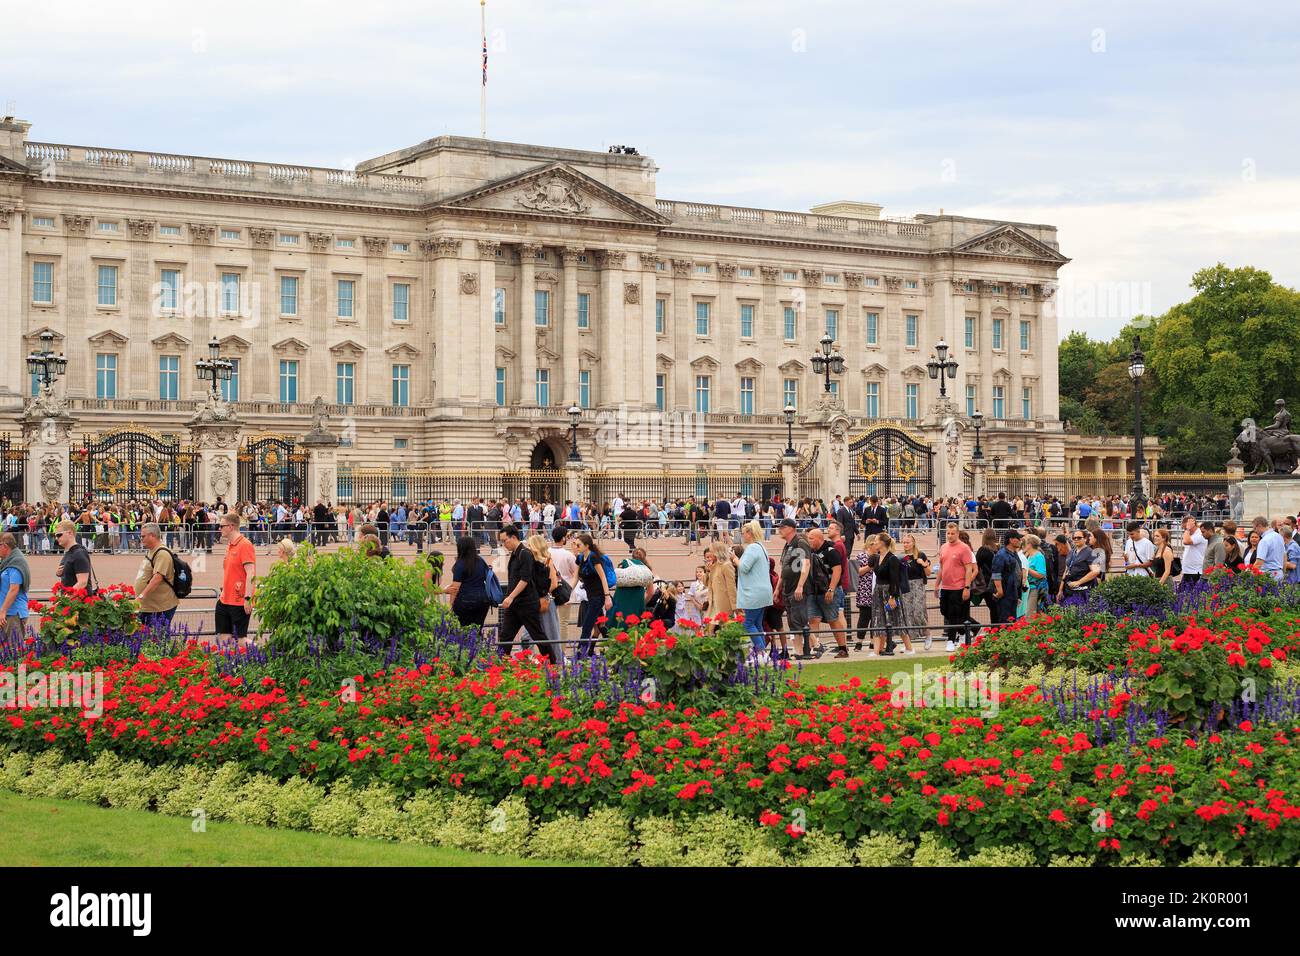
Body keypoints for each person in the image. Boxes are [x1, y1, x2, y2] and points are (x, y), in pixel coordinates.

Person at [496, 524, 555, 662]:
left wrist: (510, 597)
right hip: (516, 604)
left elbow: (525, 579)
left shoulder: (525, 553)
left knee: (538, 635)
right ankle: (500, 663)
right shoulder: (516, 554)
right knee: (506, 636)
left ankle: (553, 663)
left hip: (527, 604)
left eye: (505, 540)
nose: (504, 544)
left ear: (514, 537)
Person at [732, 520, 773, 658]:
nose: (743, 536)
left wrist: (735, 559)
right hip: (762, 592)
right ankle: (762, 652)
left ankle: (761, 652)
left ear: (750, 533)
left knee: (748, 624)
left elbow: (744, 567)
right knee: (757, 623)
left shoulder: (752, 548)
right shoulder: (761, 547)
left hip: (754, 593)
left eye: (743, 533)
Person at [777, 518, 815, 658]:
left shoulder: (800, 542)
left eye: (783, 527)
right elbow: (784, 569)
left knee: (799, 620)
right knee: (793, 622)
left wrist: (800, 586)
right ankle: (799, 652)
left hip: (797, 588)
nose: (780, 529)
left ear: (791, 528)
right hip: (788, 588)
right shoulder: (787, 545)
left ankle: (814, 646)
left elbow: (806, 564)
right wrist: (777, 589)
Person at [936, 522, 977, 651]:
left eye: (953, 533)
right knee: (945, 611)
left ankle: (951, 640)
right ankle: (967, 631)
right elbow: (942, 568)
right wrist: (937, 584)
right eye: (948, 533)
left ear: (958, 533)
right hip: (946, 587)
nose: (950, 535)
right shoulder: (943, 547)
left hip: (959, 587)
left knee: (954, 615)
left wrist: (967, 587)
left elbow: (969, 569)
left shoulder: (964, 548)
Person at [574, 533, 616, 656]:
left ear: (586, 546)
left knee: (587, 626)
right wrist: (567, 593)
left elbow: (603, 577)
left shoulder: (593, 557)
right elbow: (575, 577)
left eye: (578, 544)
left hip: (598, 597)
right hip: (590, 596)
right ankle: (616, 649)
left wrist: (607, 597)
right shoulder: (580, 558)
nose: (576, 546)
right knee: (601, 625)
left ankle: (579, 656)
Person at [217, 513, 257, 642]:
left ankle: (262, 654)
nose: (219, 528)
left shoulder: (245, 545)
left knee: (241, 640)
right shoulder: (229, 545)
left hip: (239, 600)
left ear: (231, 526)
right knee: (224, 638)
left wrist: (248, 598)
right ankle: (231, 662)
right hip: (225, 599)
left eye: (222, 526)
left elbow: (251, 573)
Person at [135, 522, 180, 634]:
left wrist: (141, 596)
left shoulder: (162, 553)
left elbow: (158, 578)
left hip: (159, 608)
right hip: (150, 606)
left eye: (143, 536)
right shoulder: (153, 550)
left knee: (159, 639)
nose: (141, 539)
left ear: (152, 536)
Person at [871, 532, 907, 655]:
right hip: (878, 591)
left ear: (882, 543)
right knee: (877, 619)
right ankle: (876, 651)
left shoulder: (892, 558)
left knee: (897, 619)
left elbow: (894, 579)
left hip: (889, 591)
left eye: (876, 540)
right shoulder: (877, 557)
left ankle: (909, 647)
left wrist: (892, 597)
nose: (874, 543)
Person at [447, 536, 492, 628]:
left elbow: (455, 588)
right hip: (482, 599)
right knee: (477, 630)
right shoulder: (481, 561)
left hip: (465, 599)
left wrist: (451, 604)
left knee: (462, 630)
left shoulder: (460, 563)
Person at [0, 533, 30, 643]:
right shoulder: (6, 562)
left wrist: (3, 611)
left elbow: (14, 589)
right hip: (6, 615)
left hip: (13, 615)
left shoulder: (16, 563)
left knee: (14, 653)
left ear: (5, 546)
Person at [989, 530, 1023, 625]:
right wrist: (1000, 591)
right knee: (1005, 621)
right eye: (1018, 538)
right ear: (1011, 540)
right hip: (1005, 594)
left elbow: (1017, 573)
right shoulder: (1001, 554)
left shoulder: (1014, 553)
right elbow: (996, 573)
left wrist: (1018, 594)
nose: (1020, 540)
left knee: (1011, 621)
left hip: (1012, 593)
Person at [54, 519, 93, 591]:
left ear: (70, 533)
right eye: (55, 536)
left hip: (79, 600)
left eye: (59, 535)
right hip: (72, 599)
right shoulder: (69, 552)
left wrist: (65, 598)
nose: (56, 538)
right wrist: (59, 573)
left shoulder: (79, 553)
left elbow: (82, 582)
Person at [1019, 533, 1048, 617]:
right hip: (1030, 587)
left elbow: (1041, 574)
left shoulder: (1038, 556)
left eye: (1026, 543)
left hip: (1036, 588)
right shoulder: (1029, 555)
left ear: (1030, 544)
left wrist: (1027, 568)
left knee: (1030, 613)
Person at [1254, 516, 1287, 581]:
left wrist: (1248, 576)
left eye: (1255, 528)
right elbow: (1284, 556)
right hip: (1279, 573)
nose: (1255, 531)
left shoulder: (1264, 540)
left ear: (1259, 526)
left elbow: (1259, 563)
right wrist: (1283, 572)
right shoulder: (1279, 536)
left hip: (1268, 575)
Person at [1180, 516, 1207, 588]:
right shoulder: (1191, 534)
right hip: (1189, 571)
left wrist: (1187, 529)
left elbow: (1186, 541)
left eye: (1185, 528)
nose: (1184, 530)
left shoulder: (1199, 534)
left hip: (1195, 571)